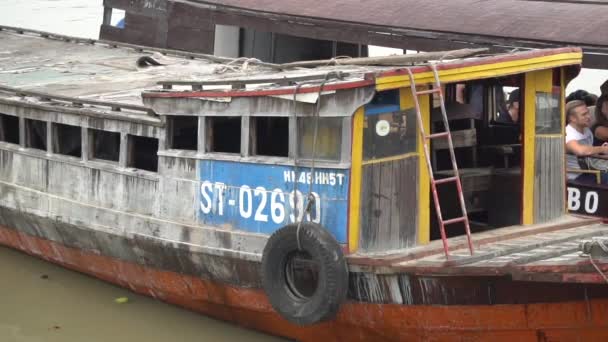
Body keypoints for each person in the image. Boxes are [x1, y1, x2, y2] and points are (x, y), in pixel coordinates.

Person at [565, 100, 608, 183]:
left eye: (588, 113)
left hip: (590, 169)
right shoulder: (568, 134)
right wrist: (602, 149)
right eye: (584, 114)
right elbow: (580, 151)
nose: (588, 116)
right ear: (572, 118)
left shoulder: (586, 130)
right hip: (576, 177)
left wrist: (604, 154)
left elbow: (589, 153)